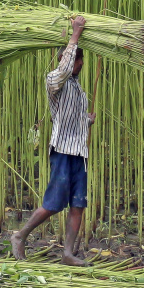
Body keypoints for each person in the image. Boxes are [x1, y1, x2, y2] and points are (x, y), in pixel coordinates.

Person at [11, 14, 95, 266]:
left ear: (81, 62)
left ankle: (68, 253)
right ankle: (20, 235)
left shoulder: (78, 90)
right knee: (54, 203)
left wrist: (86, 121)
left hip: (79, 152)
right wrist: (75, 34)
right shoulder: (54, 80)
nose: (67, 64)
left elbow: (69, 118)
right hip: (62, 150)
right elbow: (63, 69)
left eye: (71, 60)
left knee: (78, 204)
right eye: (64, 60)